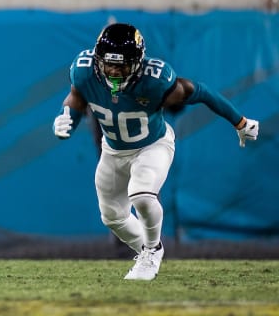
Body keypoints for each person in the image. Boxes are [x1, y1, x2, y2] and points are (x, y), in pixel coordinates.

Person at [52, 23, 260, 281]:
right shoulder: (84, 72)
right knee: (112, 217)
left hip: (152, 146)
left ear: (138, 63)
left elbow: (202, 92)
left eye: (123, 65)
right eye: (110, 64)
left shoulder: (155, 81)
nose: (115, 72)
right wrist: (66, 118)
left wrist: (240, 122)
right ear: (97, 61)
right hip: (113, 151)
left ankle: (151, 252)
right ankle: (150, 250)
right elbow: (76, 98)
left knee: (141, 194)